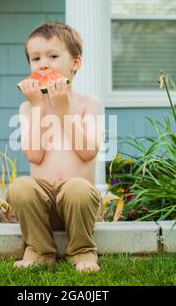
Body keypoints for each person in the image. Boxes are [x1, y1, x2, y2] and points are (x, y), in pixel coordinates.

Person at [6, 22, 104, 273]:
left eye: (53, 56)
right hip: (42, 204)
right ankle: (39, 250)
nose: (43, 64)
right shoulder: (28, 108)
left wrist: (62, 111)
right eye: (35, 58)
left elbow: (88, 151)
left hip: (78, 202)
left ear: (76, 62)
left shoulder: (88, 104)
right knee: (20, 187)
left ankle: (82, 251)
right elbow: (34, 155)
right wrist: (39, 108)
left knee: (78, 189)